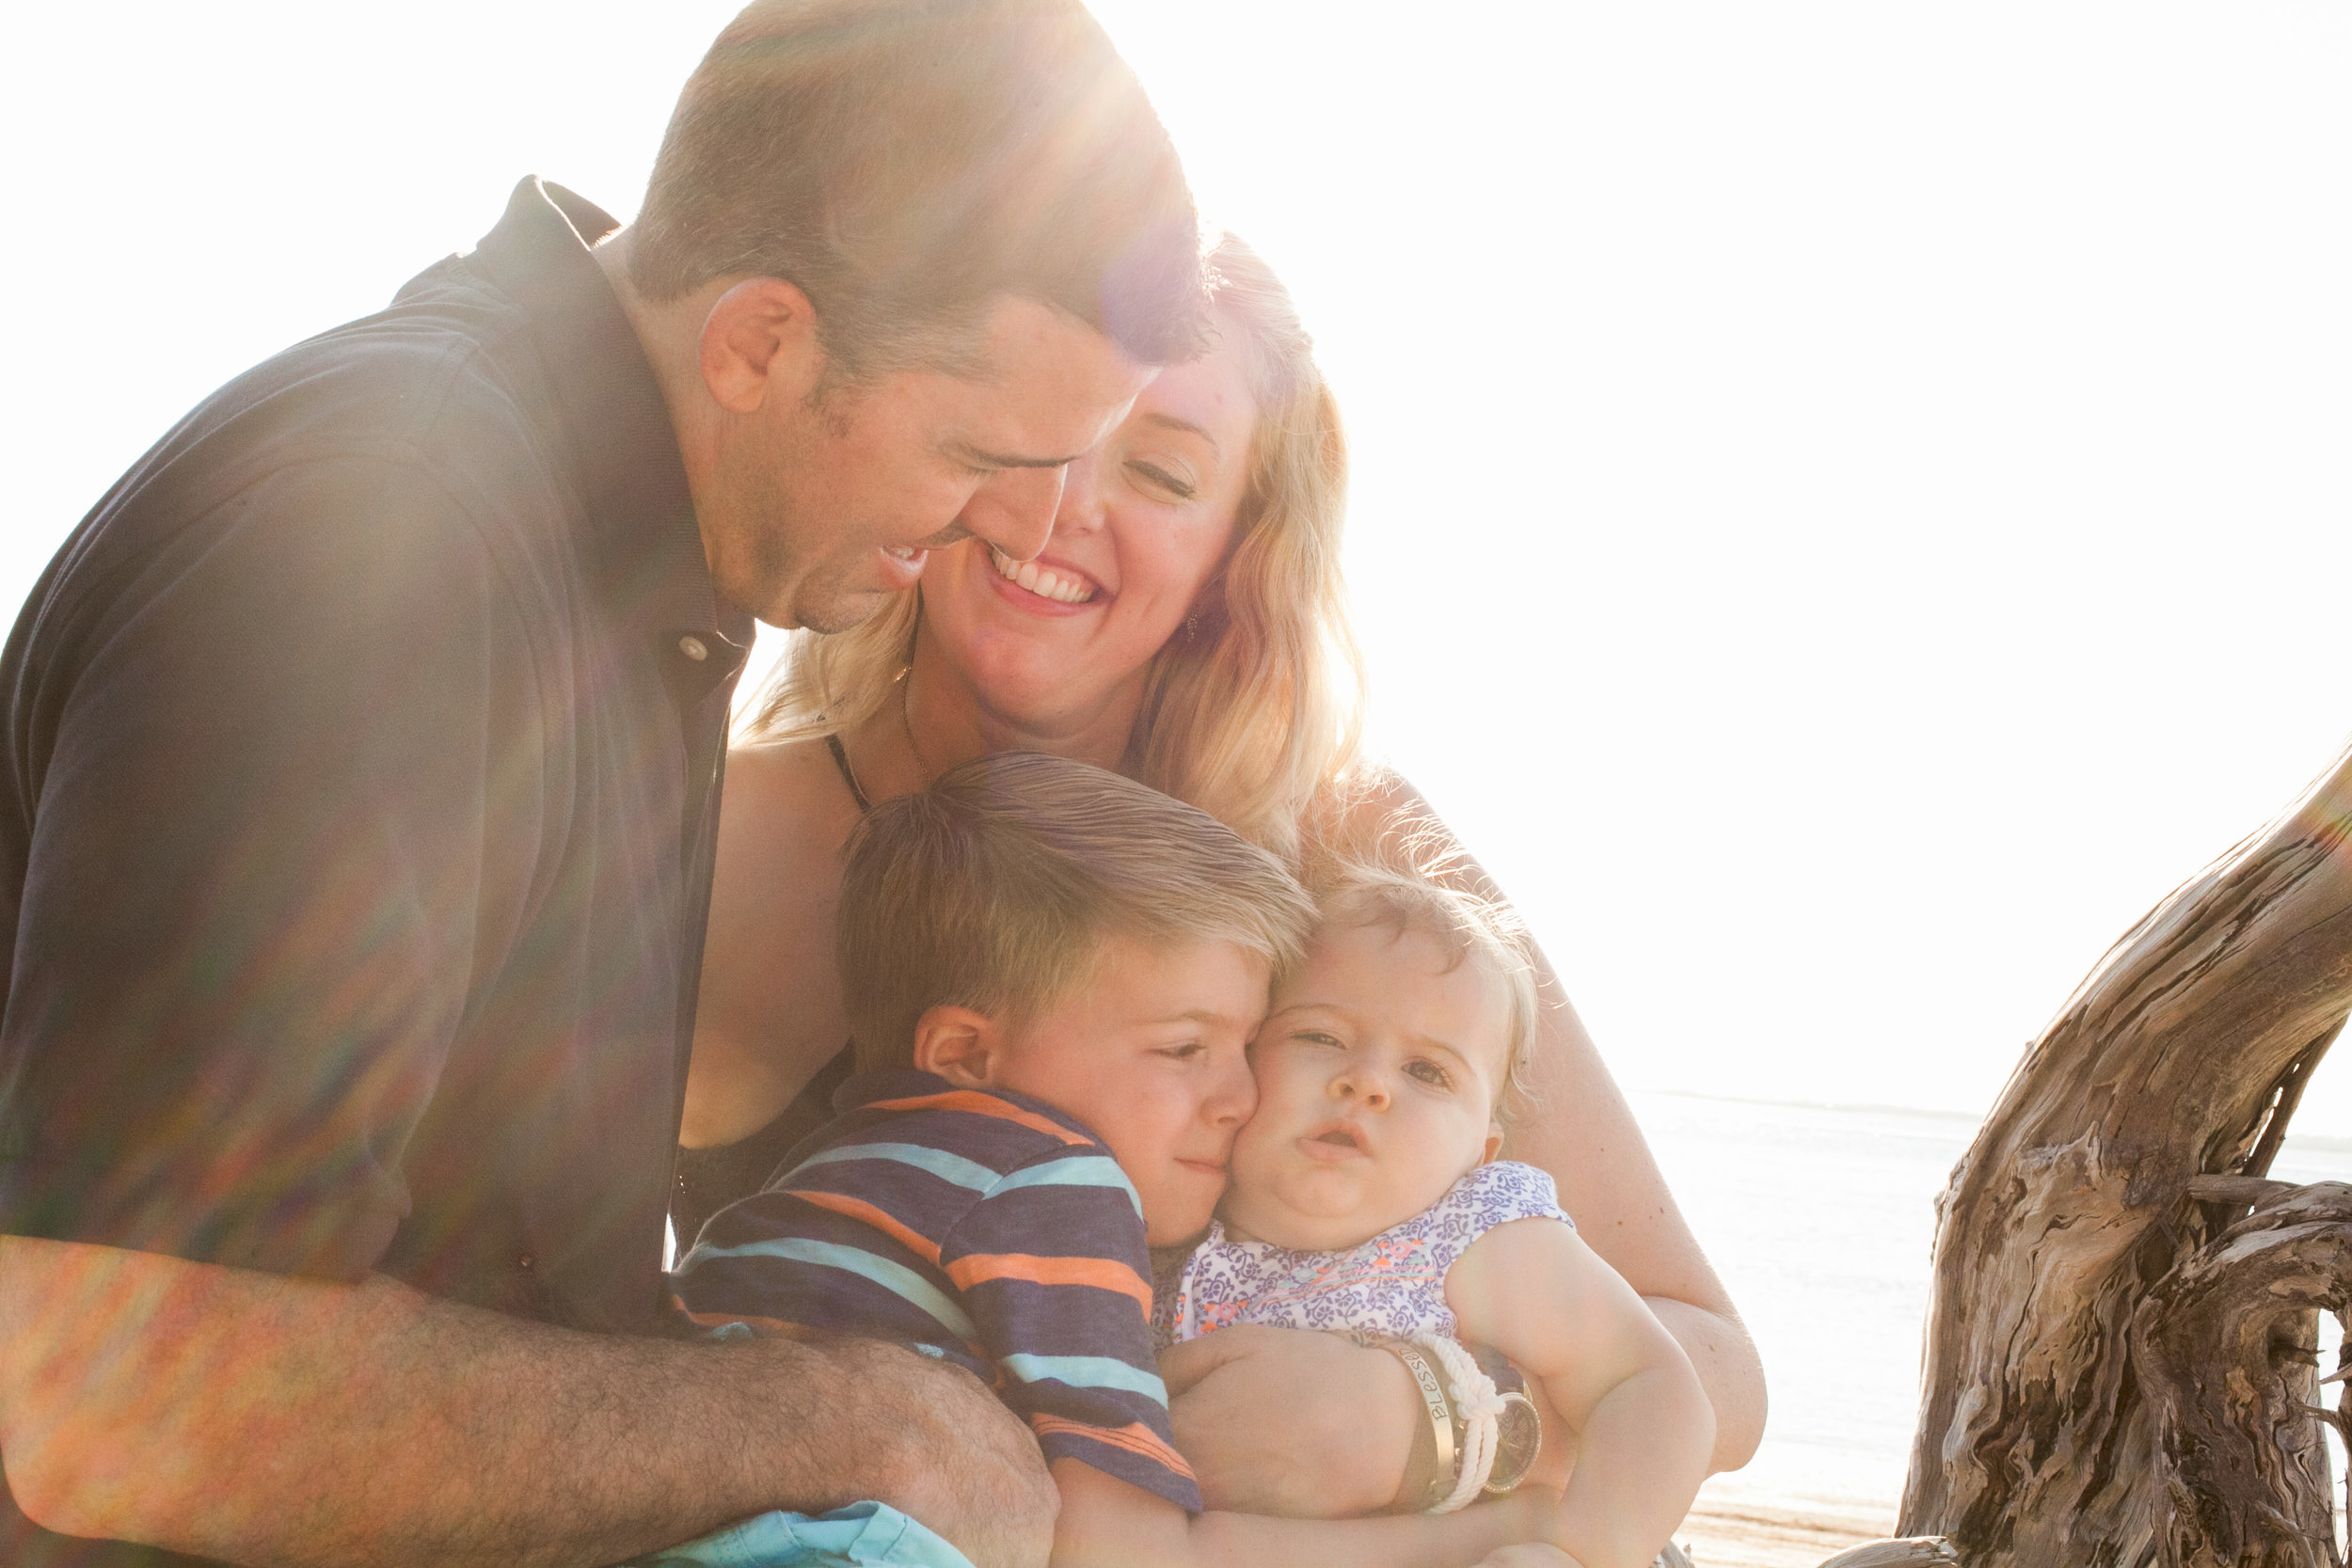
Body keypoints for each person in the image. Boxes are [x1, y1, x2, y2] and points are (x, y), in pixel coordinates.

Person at [0, 4, 1206, 1565]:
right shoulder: (391, 544)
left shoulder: (631, 558)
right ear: (761, 340)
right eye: (979, 453)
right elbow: (116, 1401)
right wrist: (844, 1422)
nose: (1013, 532)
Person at [682, 236, 1768, 1513]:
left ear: (1235, 557)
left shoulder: (1352, 850)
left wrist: (1439, 1413)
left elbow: (1711, 1369)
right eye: (1039, 428)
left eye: (1157, 469)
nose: (1061, 506)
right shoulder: (717, 834)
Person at [670, 753, 1548, 1568]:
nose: (1240, 1097)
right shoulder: (1056, 1188)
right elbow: (1127, 1549)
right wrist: (1493, 1531)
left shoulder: (827, 1173)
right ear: (970, 1057)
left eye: (1248, 1045)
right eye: (1183, 1049)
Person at [1158, 863, 1713, 1566]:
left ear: (1477, 1152)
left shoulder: (1468, 1236)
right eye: (1320, 1036)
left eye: (1427, 1071)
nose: (1366, 1083)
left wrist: (1583, 1551)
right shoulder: (1164, 1227)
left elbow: (1651, 1384)